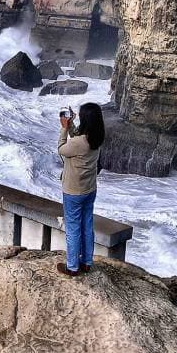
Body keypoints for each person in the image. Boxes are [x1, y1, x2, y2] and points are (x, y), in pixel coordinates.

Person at [56, 103, 105, 276]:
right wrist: (71, 126)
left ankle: (72, 267)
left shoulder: (78, 142)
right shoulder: (96, 137)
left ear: (86, 120)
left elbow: (62, 148)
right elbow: (78, 138)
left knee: (73, 228)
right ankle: (86, 262)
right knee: (86, 225)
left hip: (73, 192)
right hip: (89, 189)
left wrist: (64, 129)